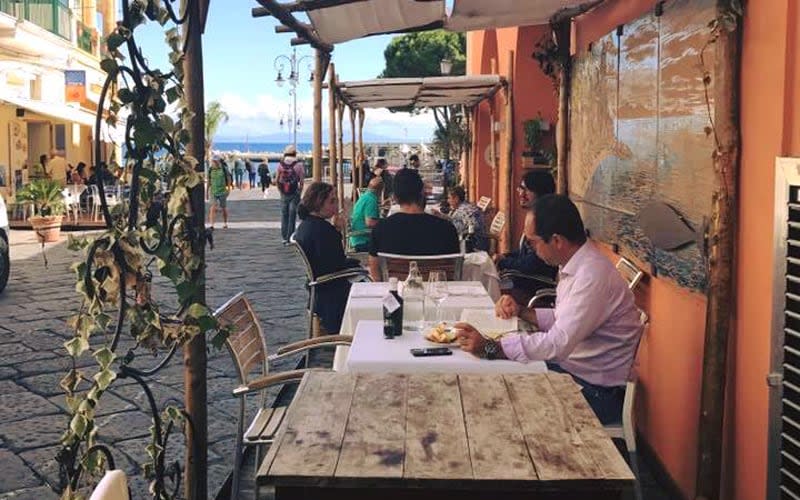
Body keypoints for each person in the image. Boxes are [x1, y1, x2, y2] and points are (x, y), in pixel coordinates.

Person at [454, 195, 642, 425]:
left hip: (597, 393)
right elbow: (563, 319)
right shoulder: (578, 266)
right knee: (495, 375)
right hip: (574, 372)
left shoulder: (591, 276)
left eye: (533, 242)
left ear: (556, 240)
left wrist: (491, 347)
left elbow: (558, 344)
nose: (531, 249)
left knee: (498, 391)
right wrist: (521, 311)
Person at [294, 182, 362, 333]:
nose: (336, 204)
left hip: (319, 287)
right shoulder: (322, 231)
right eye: (332, 201)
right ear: (318, 203)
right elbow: (336, 262)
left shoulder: (307, 226)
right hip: (331, 290)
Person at [368, 168, 459, 280]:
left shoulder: (380, 229)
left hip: (397, 294)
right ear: (422, 193)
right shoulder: (447, 229)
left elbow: (375, 273)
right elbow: (452, 271)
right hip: (435, 294)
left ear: (395, 198)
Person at [495, 170, 558, 302]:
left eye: (527, 190)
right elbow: (524, 252)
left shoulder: (546, 221)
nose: (521, 194)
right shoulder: (534, 217)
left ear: (541, 193)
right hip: (524, 280)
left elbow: (534, 263)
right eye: (520, 188)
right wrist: (506, 256)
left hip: (534, 288)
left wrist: (504, 262)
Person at [277, 144, 305, 244]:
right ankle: (290, 237)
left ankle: (284, 237)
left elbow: (277, 179)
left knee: (284, 214)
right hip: (294, 191)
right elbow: (301, 181)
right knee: (292, 214)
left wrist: (280, 190)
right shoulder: (299, 165)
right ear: (294, 153)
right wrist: (300, 192)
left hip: (284, 192)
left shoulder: (281, 164)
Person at [447, 185, 488, 252]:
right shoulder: (464, 206)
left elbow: (473, 227)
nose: (448, 201)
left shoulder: (464, 210)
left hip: (475, 244)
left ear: (456, 199)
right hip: (478, 241)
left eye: (449, 198)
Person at [349, 177, 383, 252]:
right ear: (380, 190)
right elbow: (370, 223)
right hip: (363, 241)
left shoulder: (365, 196)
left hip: (356, 238)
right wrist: (386, 222)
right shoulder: (371, 200)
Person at [206, 157, 232, 229]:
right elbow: (208, 181)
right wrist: (206, 192)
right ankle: (212, 225)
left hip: (222, 191)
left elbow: (229, 178)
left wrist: (229, 189)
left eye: (214, 162)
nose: (213, 164)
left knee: (223, 208)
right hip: (213, 191)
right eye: (212, 162)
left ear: (217, 162)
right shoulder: (210, 170)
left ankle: (225, 223)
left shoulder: (223, 169)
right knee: (212, 207)